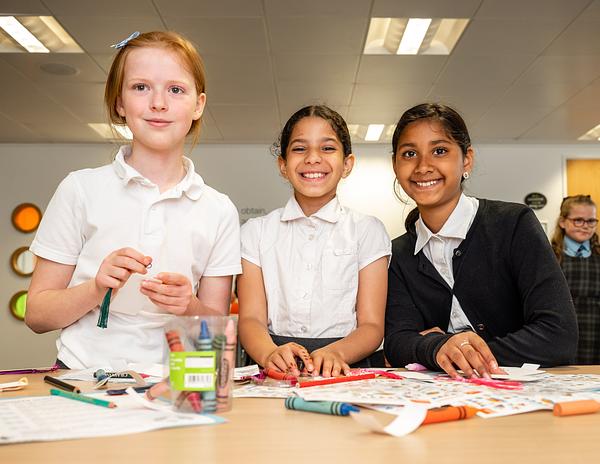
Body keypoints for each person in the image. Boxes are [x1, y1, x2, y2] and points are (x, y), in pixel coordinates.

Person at [26, 31, 241, 369]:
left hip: (177, 384)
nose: (158, 102)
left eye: (175, 89)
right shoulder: (80, 189)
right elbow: (37, 315)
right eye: (141, 87)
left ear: (198, 105)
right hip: (82, 376)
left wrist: (189, 305)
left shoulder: (218, 209)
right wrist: (96, 287)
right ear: (119, 103)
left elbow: (217, 331)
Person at [384, 103, 577, 378]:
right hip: (441, 403)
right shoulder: (398, 254)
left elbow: (559, 335)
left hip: (522, 398)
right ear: (395, 165)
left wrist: (452, 351)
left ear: (467, 160)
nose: (423, 166)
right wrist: (437, 347)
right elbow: (397, 341)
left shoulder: (514, 224)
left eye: (439, 151)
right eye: (409, 153)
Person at [237, 105, 391, 377]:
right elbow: (250, 319)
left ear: (347, 164)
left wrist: (338, 352)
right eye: (299, 148)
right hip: (274, 360)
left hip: (348, 361)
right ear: (282, 165)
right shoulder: (255, 232)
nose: (312, 158)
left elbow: (371, 326)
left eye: (328, 148)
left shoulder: (367, 230)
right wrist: (269, 352)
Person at [551, 195, 600, 364]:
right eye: (578, 220)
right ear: (563, 222)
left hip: (595, 332)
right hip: (560, 332)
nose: (585, 226)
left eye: (591, 221)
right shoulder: (549, 256)